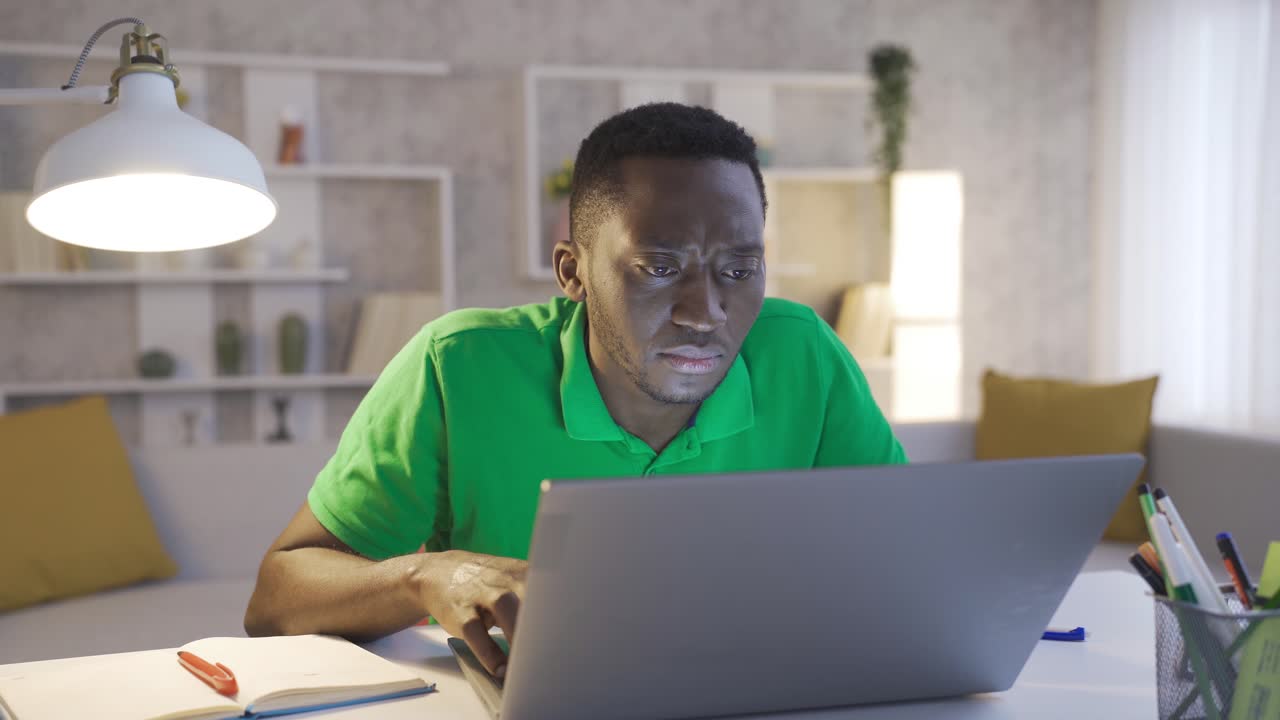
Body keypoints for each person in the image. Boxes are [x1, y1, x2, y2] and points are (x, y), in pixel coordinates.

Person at [244, 102, 906, 678]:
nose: (705, 313)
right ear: (573, 271)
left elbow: (908, 566)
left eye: (739, 269)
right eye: (660, 267)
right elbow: (275, 600)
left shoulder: (803, 353)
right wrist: (427, 575)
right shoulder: (458, 366)